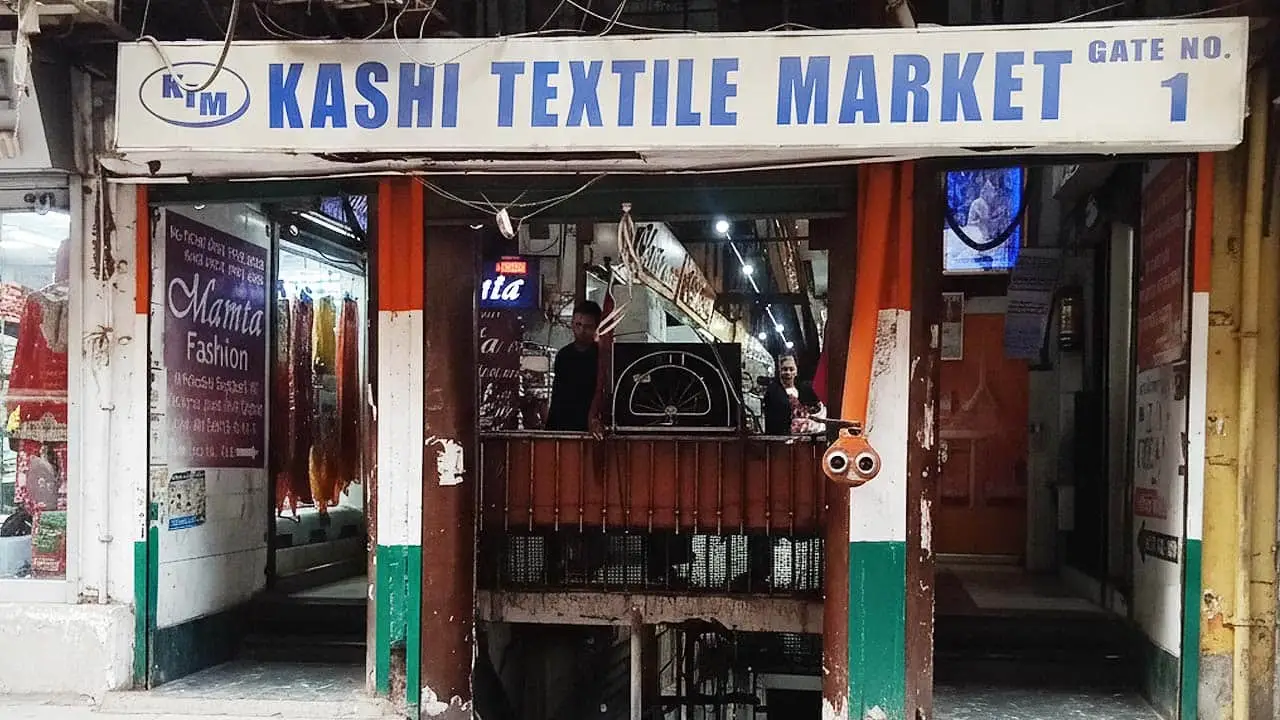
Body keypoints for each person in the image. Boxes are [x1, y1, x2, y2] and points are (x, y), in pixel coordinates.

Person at [545, 300, 603, 433]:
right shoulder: (564, 355)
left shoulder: (601, 357)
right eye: (578, 325)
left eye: (588, 326)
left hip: (591, 426)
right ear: (572, 324)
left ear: (596, 327)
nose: (582, 330)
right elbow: (558, 395)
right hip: (564, 425)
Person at [761, 353, 825, 436]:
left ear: (796, 371)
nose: (788, 372)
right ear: (779, 371)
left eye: (791, 369)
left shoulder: (804, 391)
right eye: (784, 369)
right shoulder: (773, 393)